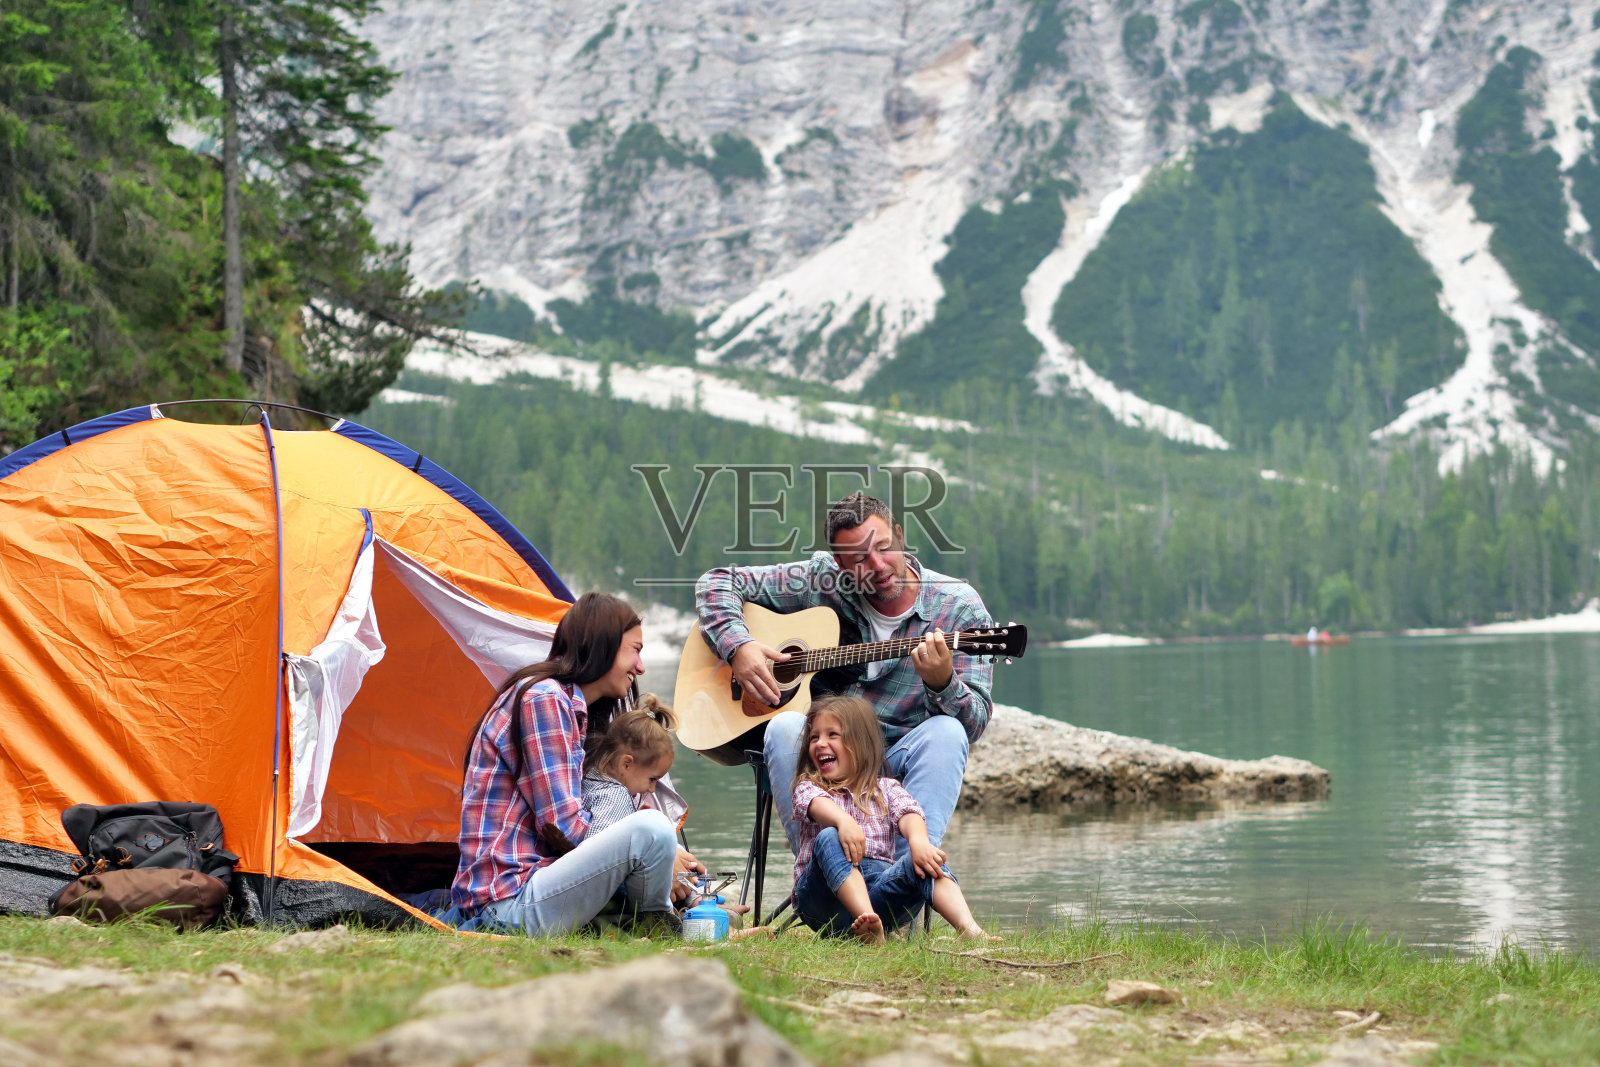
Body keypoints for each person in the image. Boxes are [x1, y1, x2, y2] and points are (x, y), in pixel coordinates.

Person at [695, 491, 995, 859]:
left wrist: (943, 683)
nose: (878, 565)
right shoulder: (821, 580)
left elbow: (974, 725)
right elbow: (716, 583)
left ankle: (905, 877)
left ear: (900, 536)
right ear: (839, 563)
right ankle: (819, 869)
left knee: (947, 732)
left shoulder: (959, 608)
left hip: (898, 752)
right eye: (860, 559)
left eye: (884, 547)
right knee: (784, 727)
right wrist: (738, 647)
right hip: (824, 756)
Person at [449, 592, 701, 935]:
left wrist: (664, 856)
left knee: (657, 837)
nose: (640, 667)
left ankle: (685, 917)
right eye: (635, 650)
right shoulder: (544, 699)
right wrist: (659, 854)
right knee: (653, 828)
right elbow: (564, 827)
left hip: (540, 888)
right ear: (603, 645)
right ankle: (663, 927)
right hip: (507, 902)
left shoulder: (575, 710)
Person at [791, 696, 992, 943]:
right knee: (829, 836)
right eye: (814, 737)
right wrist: (843, 821)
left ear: (861, 743)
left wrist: (919, 843)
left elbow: (909, 813)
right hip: (823, 900)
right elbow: (813, 803)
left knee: (925, 859)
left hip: (879, 895)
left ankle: (971, 930)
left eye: (832, 734)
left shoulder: (885, 788)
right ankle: (866, 921)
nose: (820, 743)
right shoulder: (809, 785)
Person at [581, 695, 677, 834]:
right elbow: (599, 842)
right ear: (626, 764)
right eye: (652, 779)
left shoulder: (588, 777)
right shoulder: (616, 795)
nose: (652, 789)